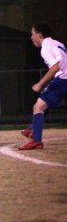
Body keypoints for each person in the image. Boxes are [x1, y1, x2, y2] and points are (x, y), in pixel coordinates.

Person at [19, 22, 67, 150]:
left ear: (39, 35)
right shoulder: (57, 43)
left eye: (32, 34)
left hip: (63, 80)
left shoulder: (45, 47)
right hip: (63, 79)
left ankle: (36, 140)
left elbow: (56, 66)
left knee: (39, 107)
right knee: (40, 105)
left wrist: (40, 83)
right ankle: (32, 129)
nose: (31, 37)